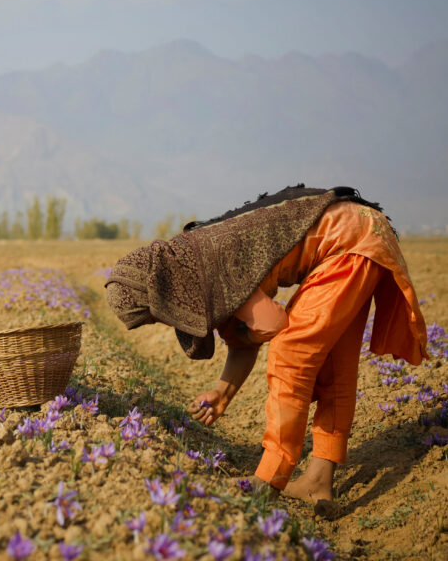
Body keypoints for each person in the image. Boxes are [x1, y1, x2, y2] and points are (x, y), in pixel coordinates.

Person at [105, 185, 427, 515]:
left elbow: (271, 324)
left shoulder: (205, 266)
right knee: (333, 366)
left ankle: (269, 479)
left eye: (154, 315)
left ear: (158, 294)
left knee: (291, 352)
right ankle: (318, 481)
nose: (164, 320)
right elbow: (243, 337)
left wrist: (250, 327)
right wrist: (223, 392)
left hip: (346, 240)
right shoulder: (191, 262)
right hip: (363, 233)